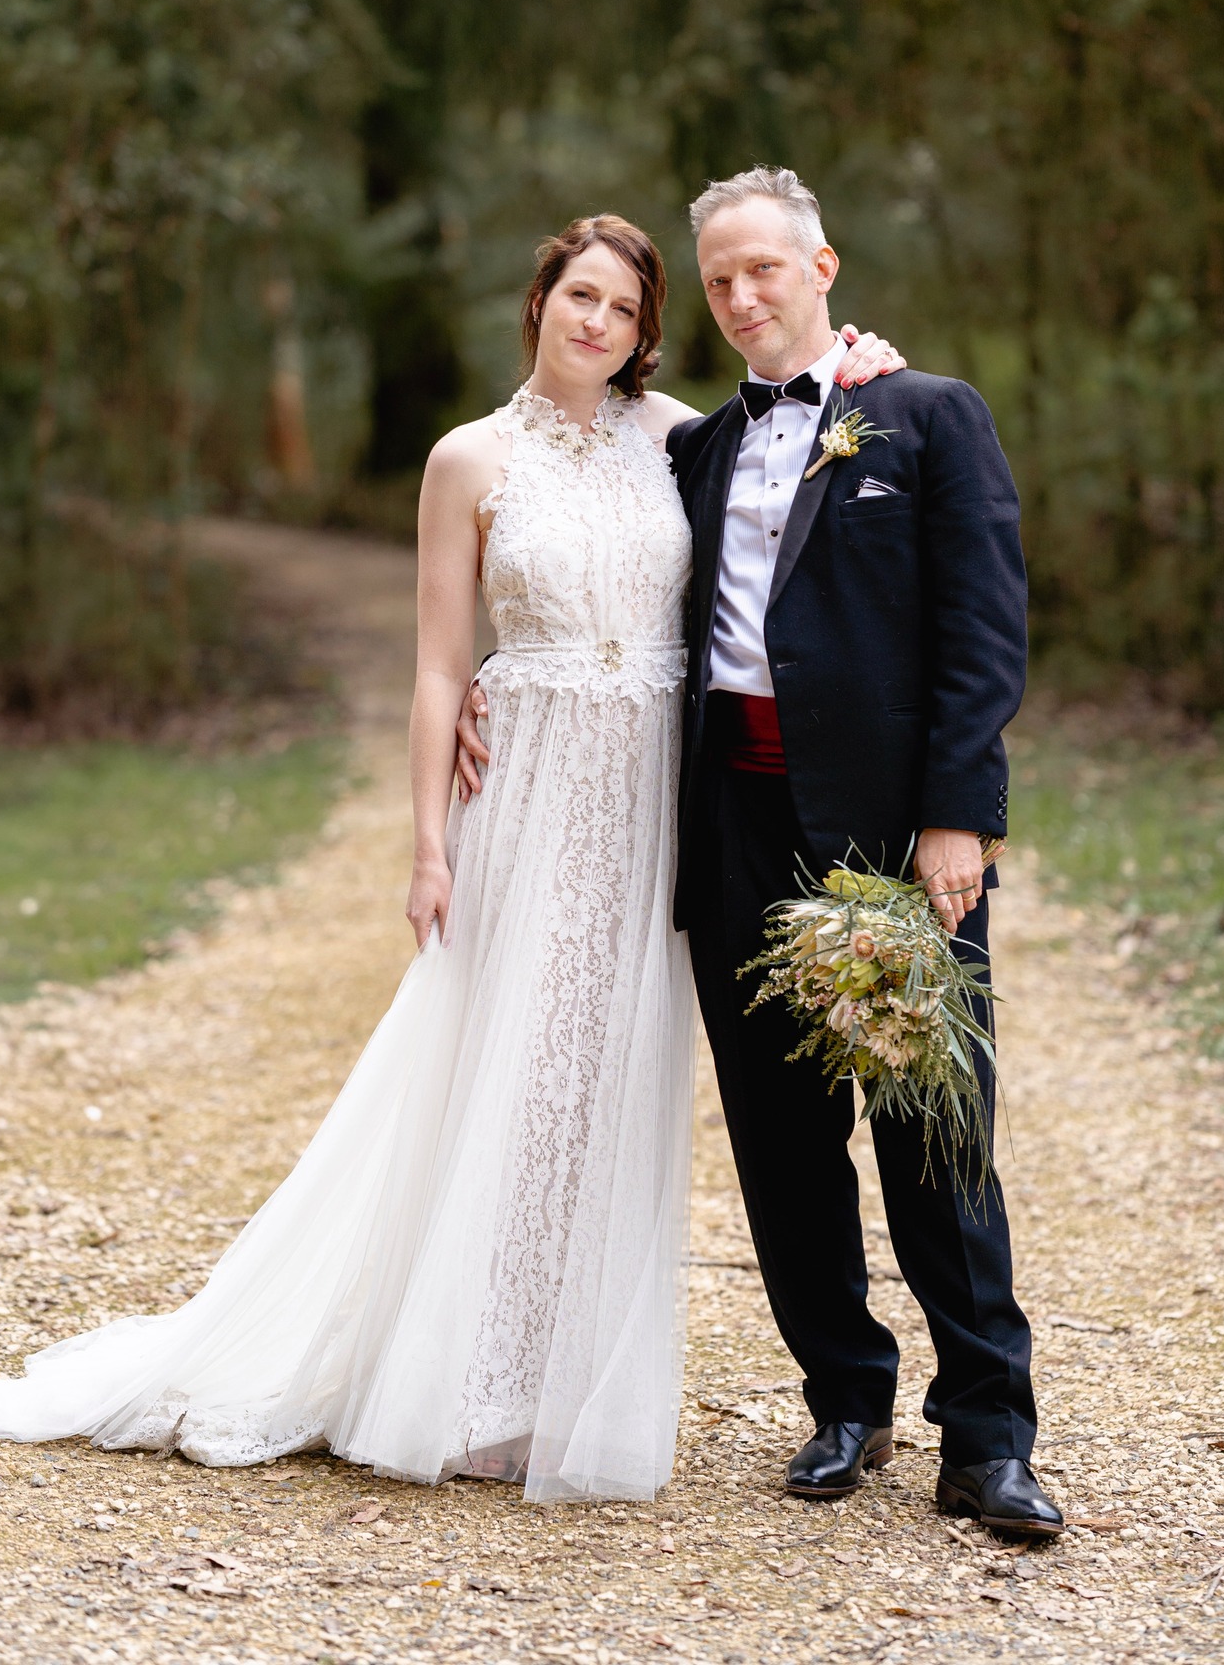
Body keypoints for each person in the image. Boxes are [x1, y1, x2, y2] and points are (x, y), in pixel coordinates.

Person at [0, 211, 902, 1504]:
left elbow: (794, 450)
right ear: (540, 302)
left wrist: (859, 356)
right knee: (507, 1065)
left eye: (627, 311)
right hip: (526, 788)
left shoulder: (679, 439)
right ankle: (469, 1381)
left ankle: (559, 1377)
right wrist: (429, 842)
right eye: (580, 296)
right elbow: (432, 666)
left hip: (655, 794)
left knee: (607, 1075)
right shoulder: (467, 459)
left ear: (647, 336)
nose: (599, 324)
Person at [462, 169, 1062, 1539]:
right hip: (733, 827)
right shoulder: (691, 448)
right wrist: (490, 689)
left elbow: (983, 634)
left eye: (764, 273)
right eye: (718, 280)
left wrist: (959, 816)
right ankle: (844, 1399)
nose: (741, 297)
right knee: (786, 1147)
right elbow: (571, 514)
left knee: (933, 1136)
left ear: (824, 266)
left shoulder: (923, 418)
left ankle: (989, 1435)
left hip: (890, 841)